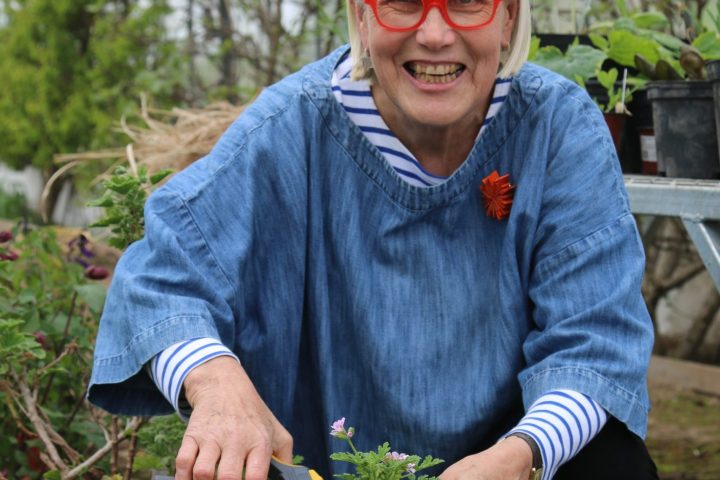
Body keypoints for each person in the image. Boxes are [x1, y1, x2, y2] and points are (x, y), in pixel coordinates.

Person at [88, 1, 659, 479]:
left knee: (610, 460)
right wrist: (217, 387)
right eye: (403, 2)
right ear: (362, 18)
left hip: (506, 459)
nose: (435, 34)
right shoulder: (293, 127)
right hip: (326, 464)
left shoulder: (557, 127)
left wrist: (520, 456)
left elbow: (593, 338)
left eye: (466, 1)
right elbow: (162, 276)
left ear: (508, 18)